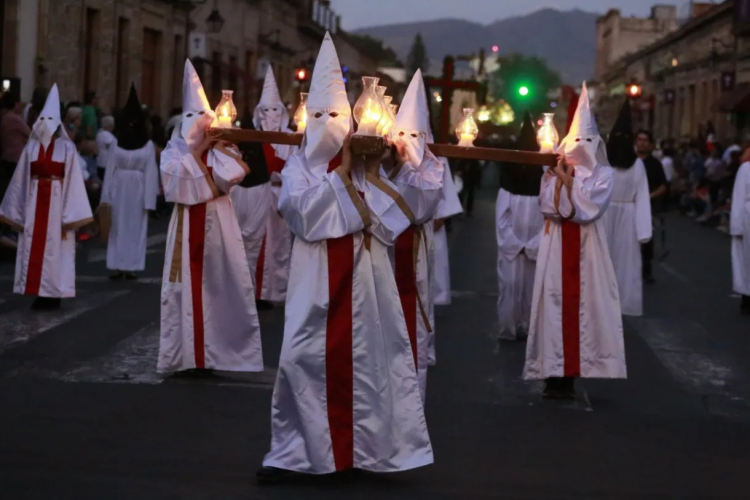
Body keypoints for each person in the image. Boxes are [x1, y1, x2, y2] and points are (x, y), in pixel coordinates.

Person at [259, 32, 432, 483]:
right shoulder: (300, 167)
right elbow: (304, 217)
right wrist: (339, 174)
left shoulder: (366, 170)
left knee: (370, 360)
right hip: (314, 276)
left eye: (335, 114)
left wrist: (398, 163)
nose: (326, 123)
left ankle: (370, 451)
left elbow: (401, 214)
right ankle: (300, 453)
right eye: (318, 115)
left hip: (364, 276)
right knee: (303, 357)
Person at [157, 60, 263, 375]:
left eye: (202, 118)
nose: (196, 124)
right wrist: (200, 154)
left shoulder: (224, 150)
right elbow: (175, 185)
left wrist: (214, 152)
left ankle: (215, 352)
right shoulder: (172, 152)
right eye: (190, 117)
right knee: (183, 288)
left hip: (218, 223)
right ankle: (185, 354)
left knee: (217, 285)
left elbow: (229, 178)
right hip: (185, 224)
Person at [523, 83, 625, 400]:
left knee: (584, 306)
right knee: (552, 304)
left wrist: (568, 183)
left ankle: (575, 370)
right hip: (556, 245)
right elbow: (549, 208)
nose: (580, 146)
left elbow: (587, 211)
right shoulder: (552, 171)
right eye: (576, 139)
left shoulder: (604, 176)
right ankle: (552, 371)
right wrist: (560, 182)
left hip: (587, 248)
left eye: (586, 140)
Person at [0, 84, 93, 310]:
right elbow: (21, 179)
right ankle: (39, 292)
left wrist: (70, 214)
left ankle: (54, 292)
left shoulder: (67, 150)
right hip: (34, 204)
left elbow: (73, 182)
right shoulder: (31, 149)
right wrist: (17, 209)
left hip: (57, 205)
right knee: (34, 248)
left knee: (55, 251)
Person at [385, 69, 444, 399]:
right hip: (383, 253)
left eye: (417, 135)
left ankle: (410, 400)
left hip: (414, 252)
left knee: (411, 326)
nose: (409, 142)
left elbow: (420, 206)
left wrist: (405, 167)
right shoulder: (381, 164)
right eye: (403, 134)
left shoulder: (433, 168)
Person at [231, 67, 295, 311]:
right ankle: (248, 290)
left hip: (278, 195)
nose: (271, 114)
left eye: (276, 109)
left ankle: (269, 291)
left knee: (276, 246)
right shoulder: (253, 137)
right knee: (249, 240)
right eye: (266, 110)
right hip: (255, 194)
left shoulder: (290, 138)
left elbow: (296, 167)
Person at [100, 84, 159, 280]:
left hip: (137, 189)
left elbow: (151, 173)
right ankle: (117, 265)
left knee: (135, 227)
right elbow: (110, 170)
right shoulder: (117, 143)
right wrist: (106, 198)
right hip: (120, 187)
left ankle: (131, 266)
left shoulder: (147, 145)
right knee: (118, 226)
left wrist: (149, 202)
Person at [496, 112, 545, 341]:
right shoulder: (509, 182)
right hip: (513, 243)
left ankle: (528, 326)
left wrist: (534, 243)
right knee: (510, 284)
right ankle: (508, 326)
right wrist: (516, 244)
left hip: (535, 241)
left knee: (532, 287)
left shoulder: (543, 183)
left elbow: (548, 217)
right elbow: (501, 218)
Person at [602, 100, 652, 317]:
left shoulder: (603, 161)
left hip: (603, 215)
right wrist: (643, 232)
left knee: (609, 262)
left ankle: (604, 304)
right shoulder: (637, 164)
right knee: (620, 263)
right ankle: (614, 305)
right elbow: (642, 199)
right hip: (624, 216)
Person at [635, 129, 668, 284]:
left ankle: (646, 270)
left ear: (650, 144)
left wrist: (650, 196)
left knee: (646, 238)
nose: (642, 142)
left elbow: (663, 185)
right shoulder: (629, 161)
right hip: (629, 205)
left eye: (645, 140)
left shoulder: (655, 164)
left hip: (648, 206)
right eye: (639, 139)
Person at [730, 149, 750, 315]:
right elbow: (738, 197)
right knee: (746, 258)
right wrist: (736, 225)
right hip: (748, 219)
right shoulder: (745, 169)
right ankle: (747, 296)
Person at [96, 115, 116, 181]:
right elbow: (112, 146)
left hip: (104, 164)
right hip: (105, 164)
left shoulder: (101, 133)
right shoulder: (105, 134)